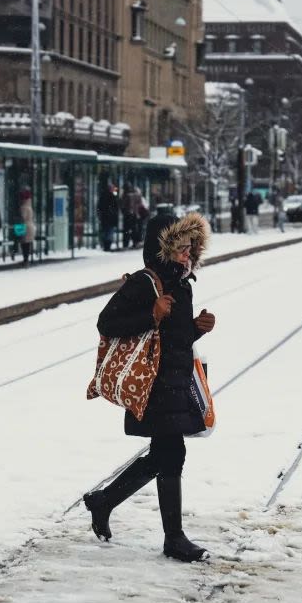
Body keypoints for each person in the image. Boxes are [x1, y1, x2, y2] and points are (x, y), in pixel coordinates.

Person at [83, 212, 216, 563]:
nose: (188, 255)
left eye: (191, 249)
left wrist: (197, 327)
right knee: (172, 455)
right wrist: (151, 315)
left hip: (174, 381)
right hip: (153, 385)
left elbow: (175, 336)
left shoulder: (183, 285)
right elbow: (107, 323)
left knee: (164, 456)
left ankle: (103, 502)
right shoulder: (145, 283)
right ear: (165, 249)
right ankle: (174, 538)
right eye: (182, 249)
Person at [98, 183, 120, 252]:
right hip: (110, 218)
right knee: (109, 232)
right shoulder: (113, 196)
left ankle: (105, 245)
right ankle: (107, 245)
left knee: (106, 231)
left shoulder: (103, 195)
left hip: (105, 217)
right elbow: (116, 207)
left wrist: (100, 214)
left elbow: (99, 206)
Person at [18, 187, 36, 267]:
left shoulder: (24, 207)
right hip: (30, 226)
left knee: (24, 244)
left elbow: (23, 217)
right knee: (27, 244)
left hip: (23, 226)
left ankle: (25, 260)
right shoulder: (29, 205)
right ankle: (26, 260)